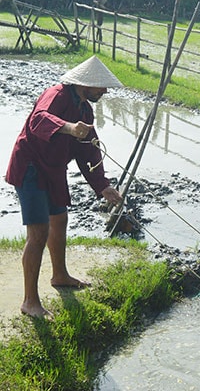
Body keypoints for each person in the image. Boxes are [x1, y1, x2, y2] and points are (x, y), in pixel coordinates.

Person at [5, 56, 124, 318]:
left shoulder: (85, 111)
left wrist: (102, 186)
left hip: (54, 170)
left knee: (59, 221)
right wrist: (68, 128)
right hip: (32, 168)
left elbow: (89, 153)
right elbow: (38, 121)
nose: (104, 91)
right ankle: (30, 301)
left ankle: (59, 275)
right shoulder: (56, 94)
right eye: (101, 86)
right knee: (37, 234)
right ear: (86, 84)